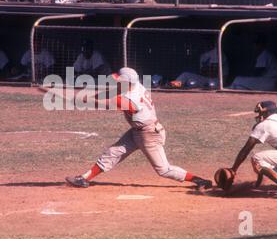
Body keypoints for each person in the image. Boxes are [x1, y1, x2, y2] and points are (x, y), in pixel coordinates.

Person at [65, 67, 213, 189]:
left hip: (150, 135)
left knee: (164, 170)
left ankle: (199, 180)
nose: (117, 82)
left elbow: (103, 102)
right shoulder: (136, 86)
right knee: (113, 152)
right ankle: (84, 179)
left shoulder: (130, 99)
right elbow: (109, 93)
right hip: (138, 131)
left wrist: (80, 98)